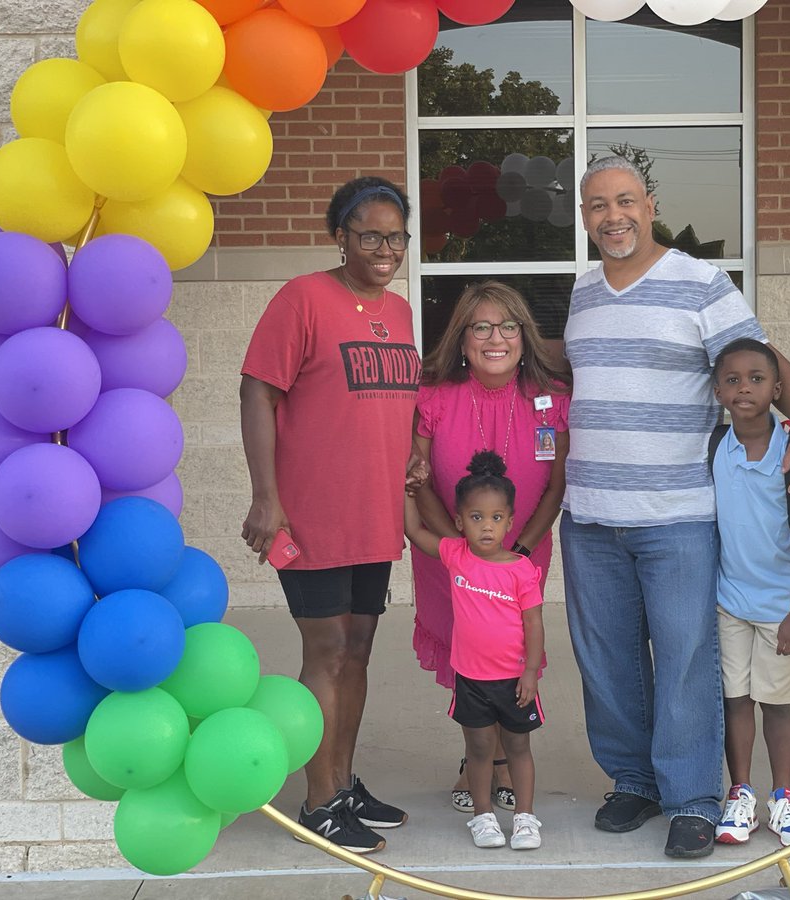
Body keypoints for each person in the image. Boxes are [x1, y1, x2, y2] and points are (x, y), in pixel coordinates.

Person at [561, 156, 790, 859]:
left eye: (625, 201)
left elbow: (762, 358)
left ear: (649, 206)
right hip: (590, 515)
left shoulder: (701, 283)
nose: (613, 216)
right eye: (598, 205)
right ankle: (634, 780)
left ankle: (691, 798)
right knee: (607, 661)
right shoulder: (583, 289)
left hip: (676, 513)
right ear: (584, 217)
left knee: (685, 660)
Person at [240, 176, 423, 854]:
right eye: (371, 236)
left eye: (396, 238)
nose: (386, 250)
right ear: (340, 237)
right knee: (327, 650)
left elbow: (390, 401)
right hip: (311, 514)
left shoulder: (399, 311)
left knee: (359, 647)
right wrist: (266, 496)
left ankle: (343, 782)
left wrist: (412, 452)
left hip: (373, 513)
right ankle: (318, 802)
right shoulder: (303, 298)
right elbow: (257, 392)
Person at [411, 280, 570, 814]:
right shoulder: (434, 397)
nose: (495, 338)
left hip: (522, 553)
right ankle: (482, 756)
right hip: (450, 554)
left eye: (507, 326)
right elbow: (418, 480)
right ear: (462, 339)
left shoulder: (552, 401)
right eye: (480, 327)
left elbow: (555, 487)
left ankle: (499, 759)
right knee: (470, 651)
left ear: (525, 336)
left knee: (510, 649)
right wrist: (460, 548)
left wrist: (519, 548)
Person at [709, 339, 790, 848]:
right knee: (735, 700)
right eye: (732, 380)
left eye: (756, 379)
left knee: (776, 704)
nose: (744, 388)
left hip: (781, 607)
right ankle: (740, 794)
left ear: (777, 389)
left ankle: (783, 796)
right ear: (717, 391)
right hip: (730, 602)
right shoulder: (715, 448)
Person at [404, 450, 547, 851]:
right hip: (471, 679)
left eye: (496, 518)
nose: (487, 526)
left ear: (510, 522)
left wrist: (530, 672)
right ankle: (483, 818)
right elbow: (414, 530)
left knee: (518, 747)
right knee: (479, 748)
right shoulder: (456, 555)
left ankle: (524, 818)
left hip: (514, 680)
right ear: (459, 522)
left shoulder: (521, 569)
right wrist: (408, 492)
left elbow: (534, 624)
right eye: (476, 517)